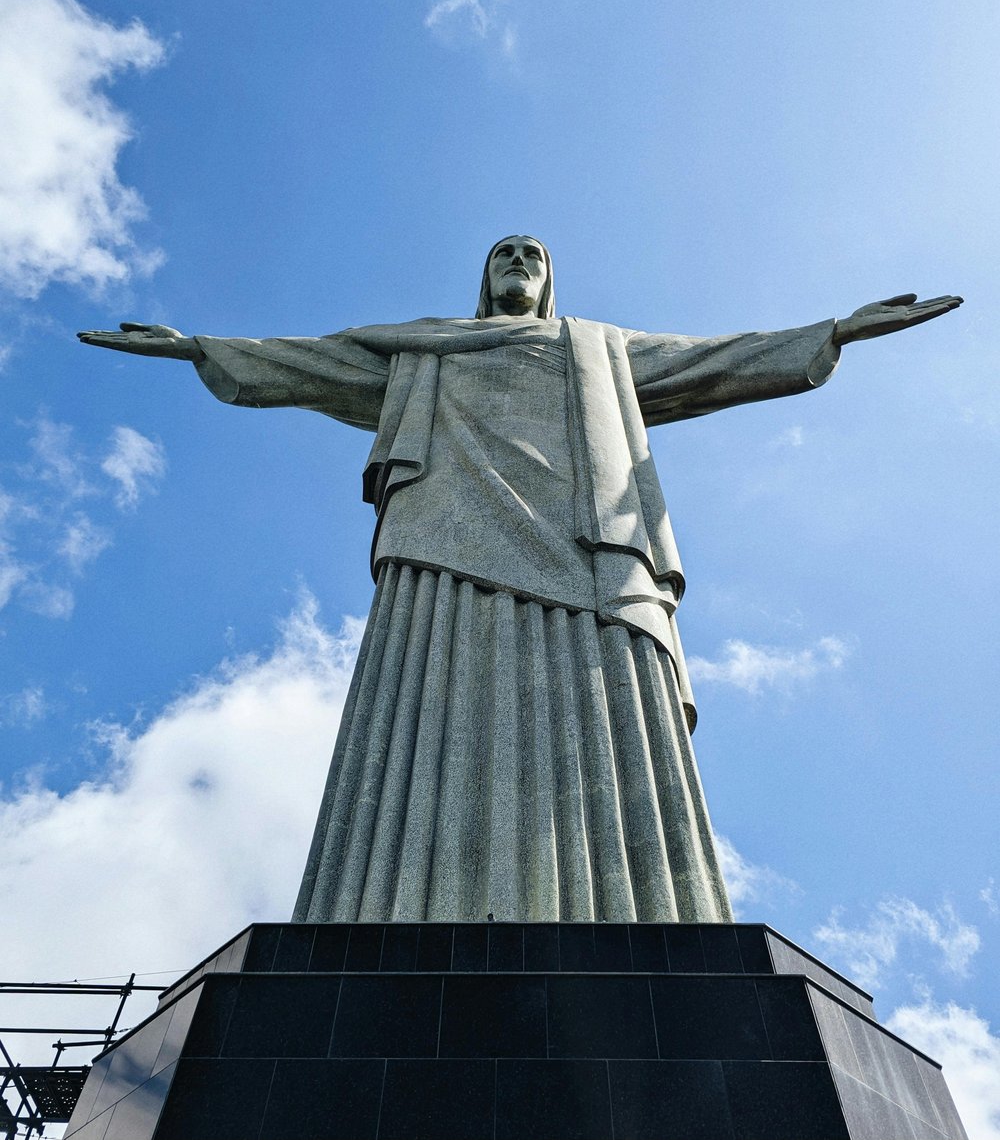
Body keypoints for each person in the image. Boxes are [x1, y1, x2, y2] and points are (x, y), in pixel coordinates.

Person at [79, 237, 960, 924]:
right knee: (432, 705)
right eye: (504, 252)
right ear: (484, 278)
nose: (518, 262)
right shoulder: (425, 346)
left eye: (534, 255)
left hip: (590, 551)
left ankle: (630, 914)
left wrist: (832, 333)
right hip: (442, 551)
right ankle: (402, 899)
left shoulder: (599, 350)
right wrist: (199, 347)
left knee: (607, 720)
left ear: (550, 280)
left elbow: (715, 360)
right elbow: (313, 362)